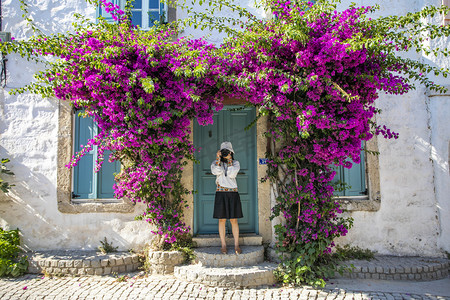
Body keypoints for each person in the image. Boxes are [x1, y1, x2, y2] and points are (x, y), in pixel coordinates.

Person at [211, 141, 243, 255]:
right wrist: (218, 159)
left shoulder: (235, 163)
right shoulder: (215, 163)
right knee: (222, 220)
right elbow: (216, 171)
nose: (225, 153)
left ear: (231, 153)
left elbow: (231, 174)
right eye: (223, 152)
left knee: (234, 220)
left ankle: (236, 245)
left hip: (233, 193)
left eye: (227, 152)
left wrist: (229, 160)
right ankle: (223, 245)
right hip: (220, 193)